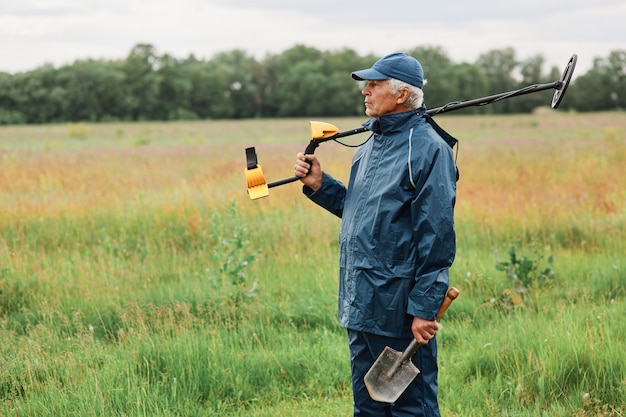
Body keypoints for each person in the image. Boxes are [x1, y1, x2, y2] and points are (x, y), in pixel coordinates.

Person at [294, 52, 458, 416]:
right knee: (368, 406)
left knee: (409, 407)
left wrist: (424, 308)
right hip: (360, 301)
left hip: (398, 308)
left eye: (374, 84)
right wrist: (321, 185)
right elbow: (366, 215)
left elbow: (438, 237)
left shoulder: (430, 149)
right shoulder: (368, 146)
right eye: (366, 84)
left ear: (401, 95)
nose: (365, 91)